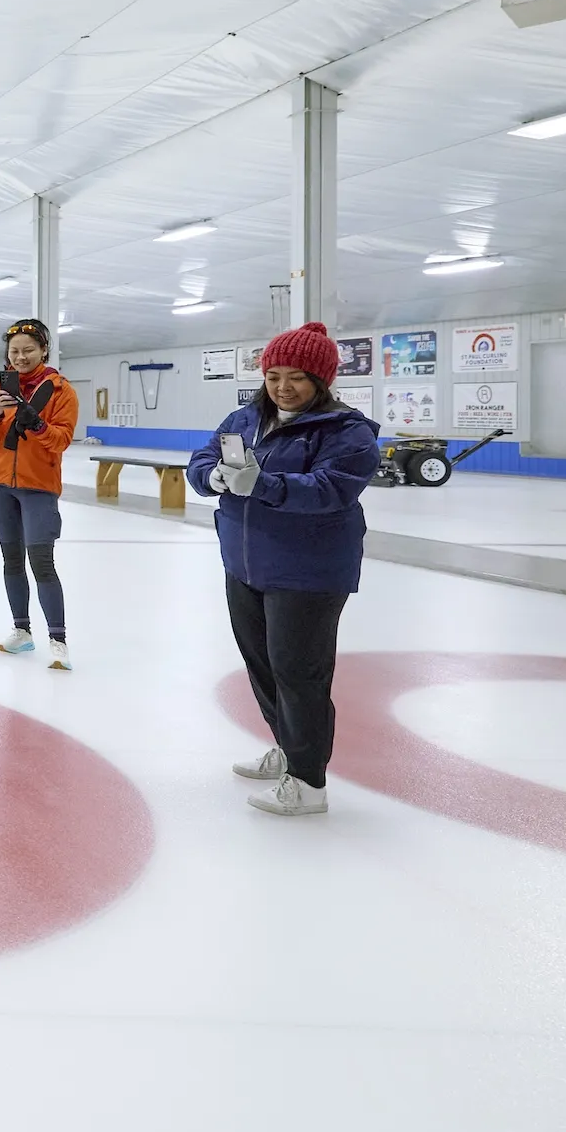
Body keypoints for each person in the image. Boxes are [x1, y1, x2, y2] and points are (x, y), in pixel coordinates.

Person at [187, 321, 381, 817]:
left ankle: (309, 783)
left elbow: (332, 490)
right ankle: (288, 752)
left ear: (321, 380)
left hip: (308, 571)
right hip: (246, 564)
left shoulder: (346, 431)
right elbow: (204, 456)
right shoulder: (246, 416)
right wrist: (211, 475)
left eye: (296, 376)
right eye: (273, 375)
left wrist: (265, 484)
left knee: (300, 674)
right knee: (264, 668)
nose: (282, 387)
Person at [0, 317, 79, 669]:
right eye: (14, 351)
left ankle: (58, 638)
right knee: (12, 560)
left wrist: (36, 422)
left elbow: (60, 441)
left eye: (28, 350)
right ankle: (22, 632)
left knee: (42, 562)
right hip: (0, 485)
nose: (20, 357)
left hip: (39, 488)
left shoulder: (61, 391)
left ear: (44, 350)